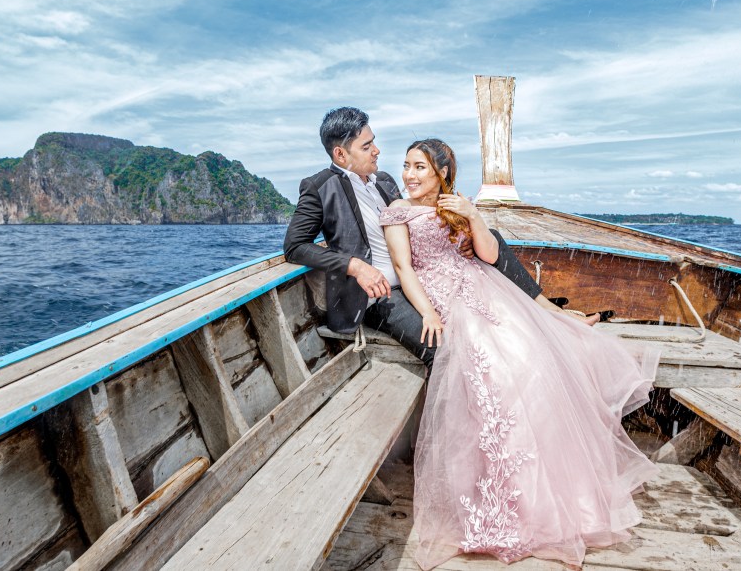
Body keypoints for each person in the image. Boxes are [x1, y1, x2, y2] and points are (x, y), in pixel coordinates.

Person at [380, 138, 660, 569]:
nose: (410, 175)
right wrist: (428, 312)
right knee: (490, 373)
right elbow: (403, 268)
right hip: (442, 295)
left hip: (481, 287)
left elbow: (489, 255)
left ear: (441, 173)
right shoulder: (397, 210)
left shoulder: (459, 205)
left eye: (419, 168)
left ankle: (548, 498)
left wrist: (473, 216)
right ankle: (489, 499)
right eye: (406, 166)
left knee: (532, 359)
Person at [283, 107, 591, 371]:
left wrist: (460, 238)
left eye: (374, 142)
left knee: (493, 263)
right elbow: (295, 247)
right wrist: (353, 265)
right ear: (341, 154)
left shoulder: (385, 181)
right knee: (446, 350)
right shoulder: (318, 187)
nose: (377, 150)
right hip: (382, 295)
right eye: (366, 146)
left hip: (422, 279)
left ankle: (548, 312)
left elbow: (419, 217)